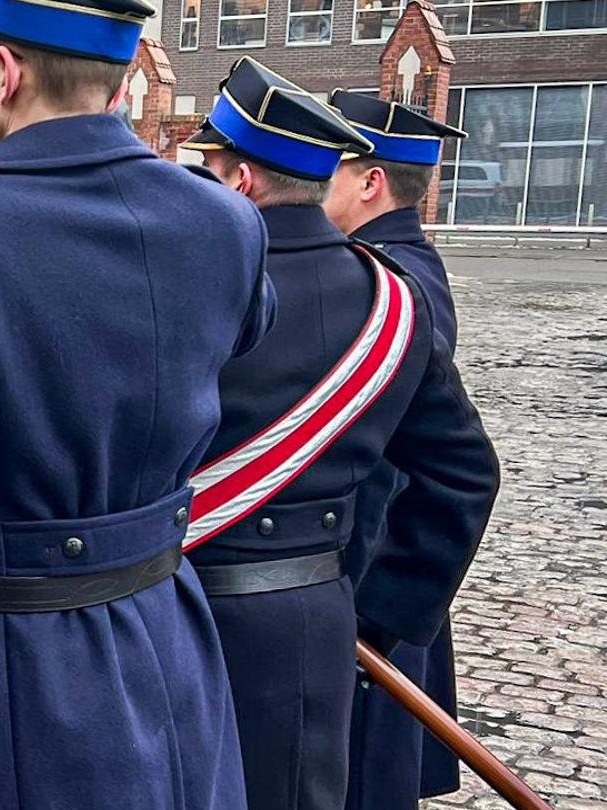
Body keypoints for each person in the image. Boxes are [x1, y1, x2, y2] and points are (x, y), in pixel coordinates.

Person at [0, 0, 274, 805]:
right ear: (119, 85)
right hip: (173, 631)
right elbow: (248, 330)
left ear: (6, 72)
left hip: (26, 673)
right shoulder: (224, 219)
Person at [178, 58, 501, 810]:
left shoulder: (186, 282)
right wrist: (378, 613)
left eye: (212, 167)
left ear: (241, 181)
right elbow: (464, 473)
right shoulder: (391, 297)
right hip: (309, 616)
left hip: (167, 603)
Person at [323, 88, 478, 810]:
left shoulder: (390, 280)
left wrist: (375, 613)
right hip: (379, 574)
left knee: (360, 779)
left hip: (369, 573)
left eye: (328, 165)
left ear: (370, 182)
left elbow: (443, 458)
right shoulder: (402, 262)